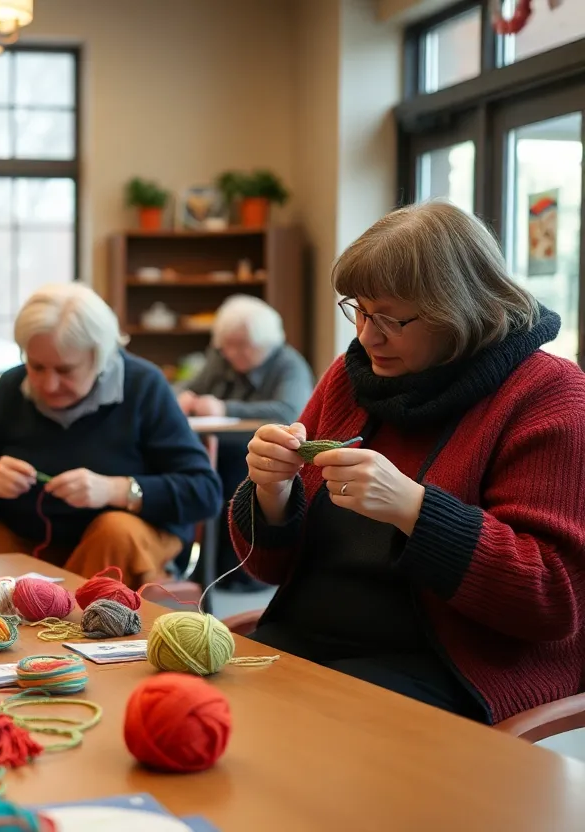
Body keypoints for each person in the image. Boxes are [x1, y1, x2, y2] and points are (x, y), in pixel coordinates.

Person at [233, 201, 585, 724]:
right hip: (312, 636)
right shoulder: (349, 379)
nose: (367, 336)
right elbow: (266, 569)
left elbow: (552, 599)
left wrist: (416, 510)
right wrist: (272, 493)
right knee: (202, 701)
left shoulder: (550, 394)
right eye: (359, 308)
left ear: (460, 307)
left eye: (392, 318)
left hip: (455, 664)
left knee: (308, 732)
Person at [0, 283, 222, 588]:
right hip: (27, 538)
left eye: (65, 370)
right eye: (36, 366)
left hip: (120, 542)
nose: (48, 385)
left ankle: (61, 621)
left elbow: (204, 492)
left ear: (99, 357)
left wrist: (117, 490)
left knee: (115, 531)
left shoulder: (142, 386)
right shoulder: (12, 387)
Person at [178, 294, 313, 590]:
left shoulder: (289, 365)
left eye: (243, 346)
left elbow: (289, 412)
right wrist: (182, 397)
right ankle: (194, 565)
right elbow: (191, 386)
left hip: (261, 456)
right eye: (227, 346)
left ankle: (239, 570)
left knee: (231, 469)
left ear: (267, 344)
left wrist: (225, 409)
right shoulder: (222, 357)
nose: (233, 354)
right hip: (219, 449)